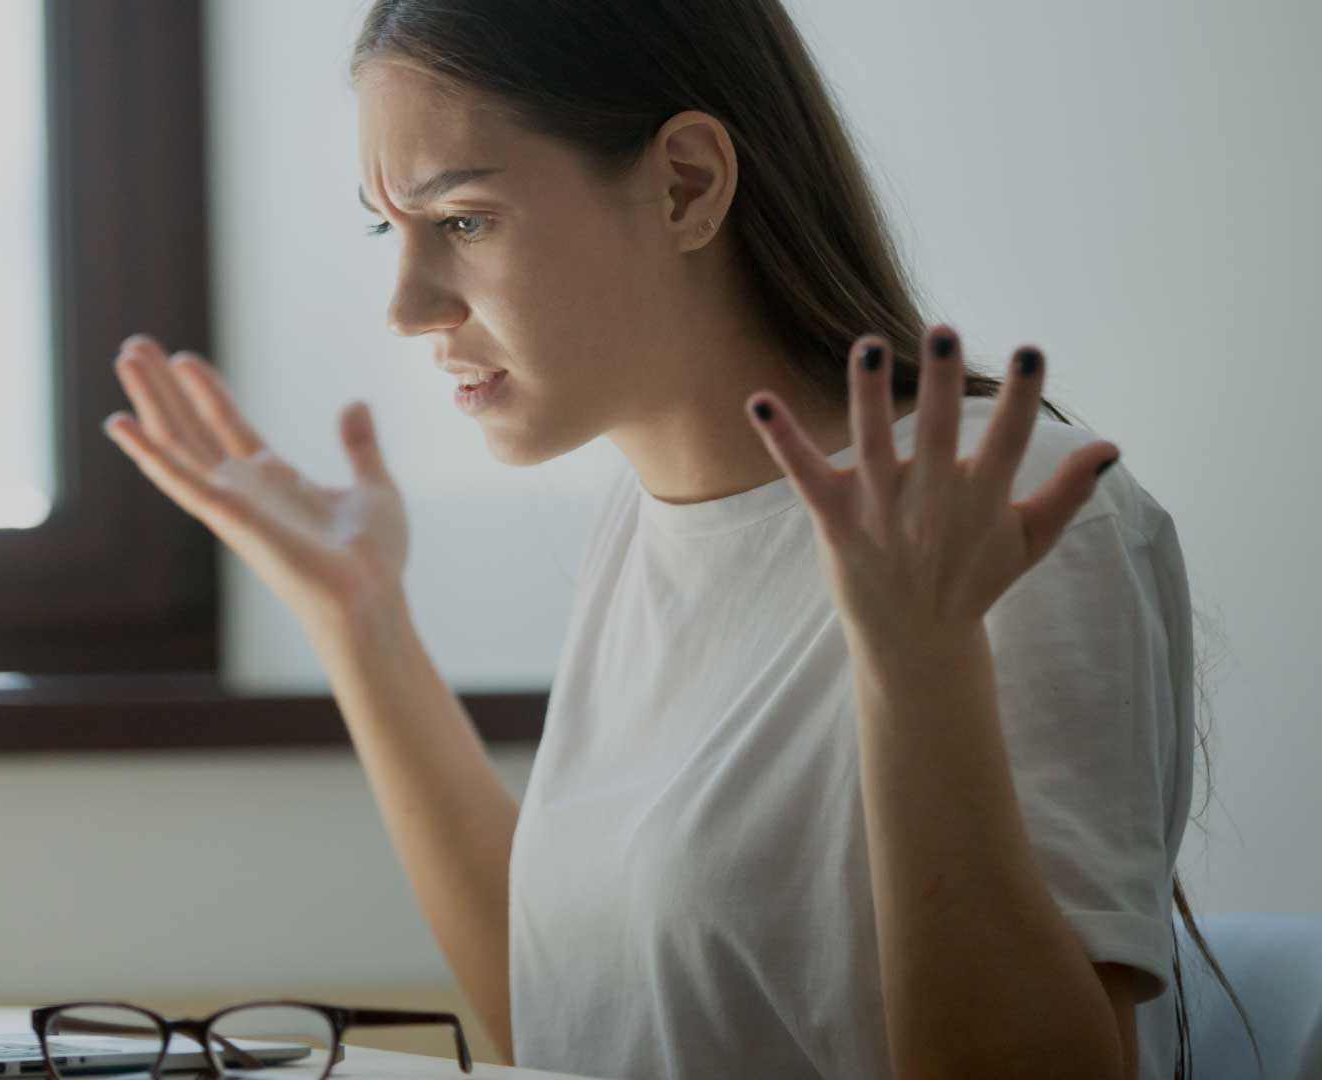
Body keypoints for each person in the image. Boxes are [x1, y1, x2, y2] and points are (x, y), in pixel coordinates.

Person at [99, 2, 1257, 1077]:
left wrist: (920, 666)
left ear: (687, 186)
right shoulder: (652, 518)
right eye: (390, 229)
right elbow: (567, 1020)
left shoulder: (1000, 511)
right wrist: (358, 620)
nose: (408, 305)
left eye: (462, 219)